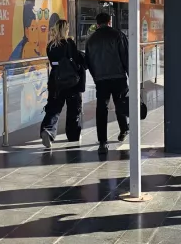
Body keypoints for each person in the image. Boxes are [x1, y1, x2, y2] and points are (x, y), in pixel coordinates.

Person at [84, 12, 129, 153]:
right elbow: (126, 56)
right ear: (110, 21)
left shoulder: (90, 39)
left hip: (101, 79)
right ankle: (124, 129)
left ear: (97, 24)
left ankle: (103, 142)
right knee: (121, 104)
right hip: (118, 77)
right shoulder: (118, 35)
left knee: (101, 109)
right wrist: (130, 75)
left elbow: (88, 62)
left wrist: (96, 76)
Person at [39, 20, 85, 148]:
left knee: (53, 108)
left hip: (55, 80)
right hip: (71, 81)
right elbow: (77, 60)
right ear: (66, 30)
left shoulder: (50, 45)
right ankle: (73, 135)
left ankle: (48, 130)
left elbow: (53, 62)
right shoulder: (69, 43)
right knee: (74, 108)